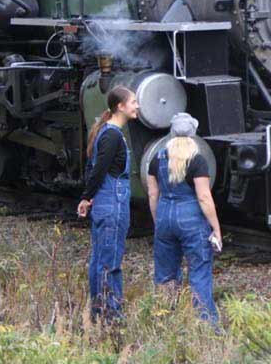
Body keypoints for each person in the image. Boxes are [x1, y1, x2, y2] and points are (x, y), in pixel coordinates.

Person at [146, 113, 222, 325]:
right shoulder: (197, 160)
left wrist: (158, 221)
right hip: (191, 219)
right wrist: (216, 228)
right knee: (199, 272)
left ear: (171, 132)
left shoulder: (157, 158)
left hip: (164, 217)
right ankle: (206, 326)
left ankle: (165, 321)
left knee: (165, 275)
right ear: (193, 134)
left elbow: (153, 194)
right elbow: (204, 197)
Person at [77, 85, 139, 322]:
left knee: (99, 259)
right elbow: (99, 169)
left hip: (105, 201)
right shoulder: (112, 134)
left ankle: (98, 311)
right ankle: (110, 314)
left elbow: (94, 168)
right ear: (120, 106)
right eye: (133, 102)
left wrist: (89, 196)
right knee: (109, 260)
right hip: (112, 201)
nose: (137, 106)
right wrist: (86, 196)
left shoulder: (106, 131)